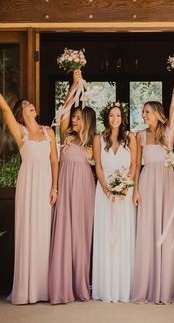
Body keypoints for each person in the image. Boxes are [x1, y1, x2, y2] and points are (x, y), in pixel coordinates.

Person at [131, 73, 174, 304]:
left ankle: (166, 286)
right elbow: (135, 165)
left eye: (147, 112)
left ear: (157, 114)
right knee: (147, 228)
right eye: (143, 112)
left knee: (165, 225)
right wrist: (134, 189)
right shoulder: (139, 135)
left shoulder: (168, 132)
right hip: (146, 180)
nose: (144, 115)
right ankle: (147, 283)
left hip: (165, 181)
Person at [0, 93, 58, 304]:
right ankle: (27, 289)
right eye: (25, 105)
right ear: (20, 113)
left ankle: (44, 288)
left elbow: (54, 161)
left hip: (45, 185)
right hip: (28, 185)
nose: (31, 105)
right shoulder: (20, 132)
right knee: (28, 230)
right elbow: (5, 109)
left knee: (44, 231)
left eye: (31, 103)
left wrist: (55, 187)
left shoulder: (48, 131)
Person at [49, 70, 96, 304]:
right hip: (65, 187)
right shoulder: (65, 136)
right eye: (74, 117)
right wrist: (74, 85)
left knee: (81, 235)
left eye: (79, 118)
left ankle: (80, 285)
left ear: (86, 121)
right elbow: (64, 112)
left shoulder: (91, 143)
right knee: (63, 233)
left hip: (85, 190)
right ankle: (62, 285)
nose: (75, 121)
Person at [92, 102, 136, 302]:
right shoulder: (98, 139)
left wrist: (124, 187)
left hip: (124, 193)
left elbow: (134, 165)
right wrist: (106, 189)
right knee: (106, 235)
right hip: (104, 192)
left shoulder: (131, 138)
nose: (115, 119)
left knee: (122, 235)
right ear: (107, 118)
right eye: (111, 115)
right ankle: (105, 288)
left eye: (118, 115)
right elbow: (98, 167)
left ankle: (123, 287)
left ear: (123, 118)